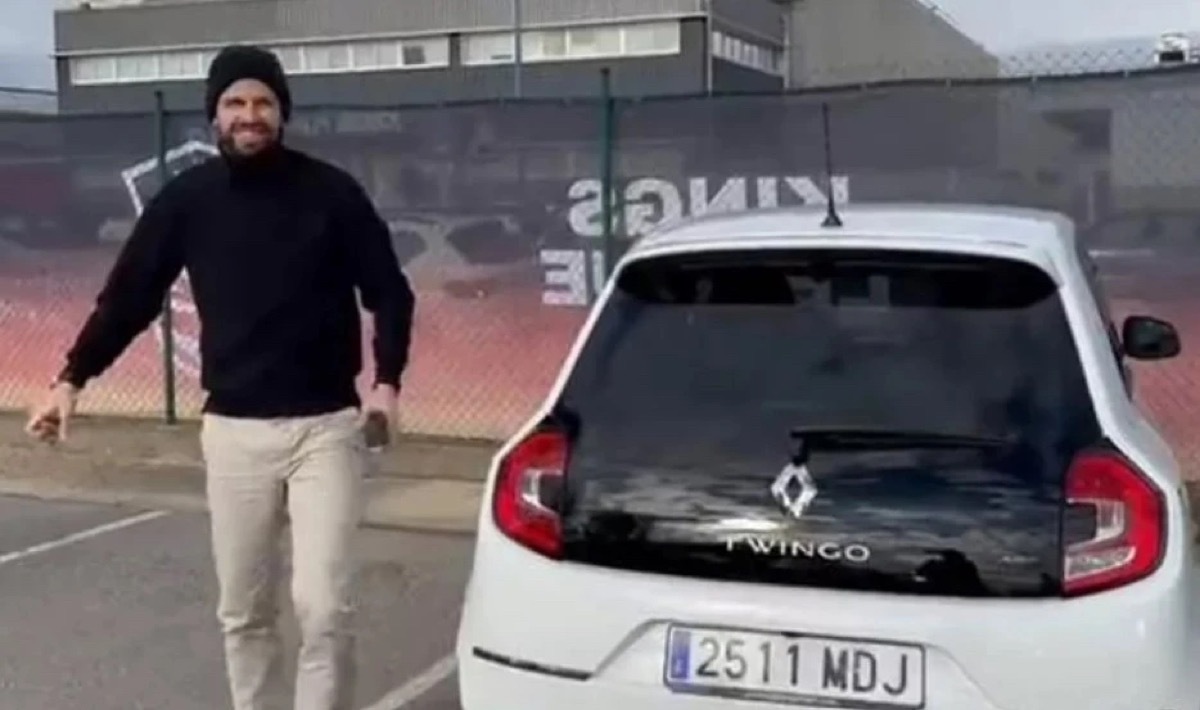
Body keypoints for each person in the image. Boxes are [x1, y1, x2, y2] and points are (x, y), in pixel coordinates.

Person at [24, 44, 415, 710]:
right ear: (215, 117)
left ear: (282, 112)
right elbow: (128, 297)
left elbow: (391, 292)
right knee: (245, 611)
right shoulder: (188, 202)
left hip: (326, 428)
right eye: (235, 102)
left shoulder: (332, 194)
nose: (249, 114)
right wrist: (71, 378)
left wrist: (386, 384)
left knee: (323, 608)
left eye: (263, 101)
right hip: (233, 433)